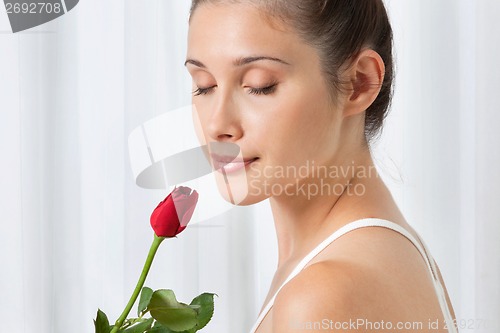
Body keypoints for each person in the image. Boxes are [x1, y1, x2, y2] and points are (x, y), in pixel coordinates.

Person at [185, 1, 458, 332]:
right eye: (204, 85)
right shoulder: (389, 255)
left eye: (260, 84)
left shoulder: (322, 295)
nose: (217, 124)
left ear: (358, 83)